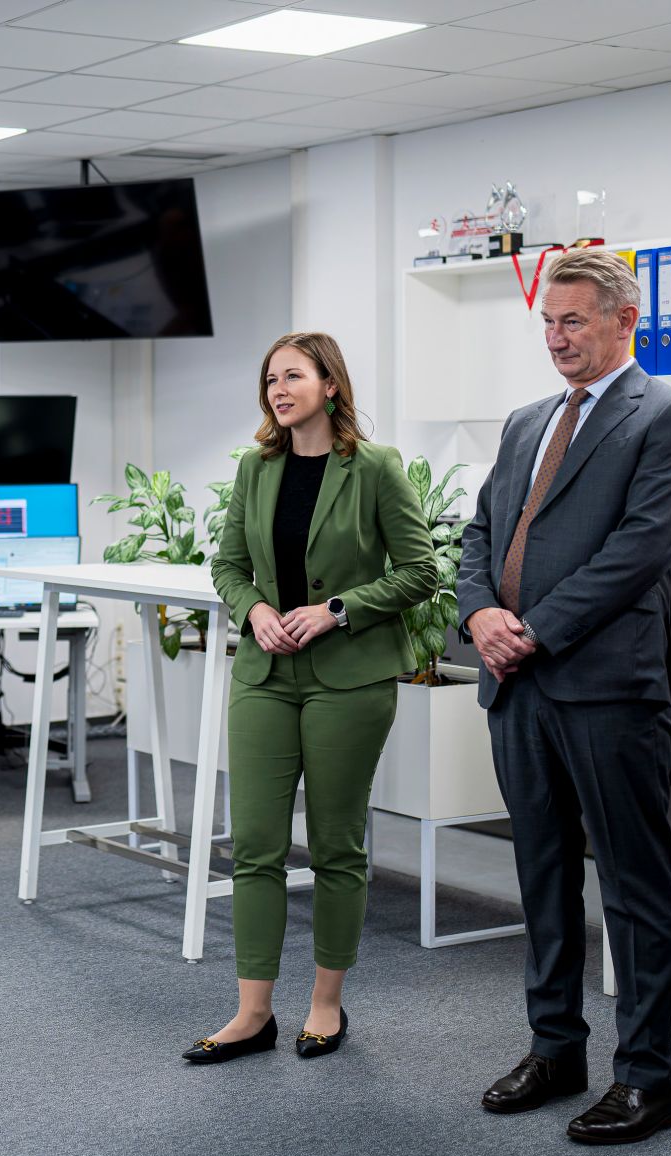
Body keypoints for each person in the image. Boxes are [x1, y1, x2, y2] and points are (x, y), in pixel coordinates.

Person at [457, 249, 671, 1145]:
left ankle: (648, 1076)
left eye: (574, 321)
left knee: (635, 889)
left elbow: (642, 549)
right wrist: (481, 613)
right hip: (516, 687)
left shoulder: (669, 416)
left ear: (622, 321)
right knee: (545, 877)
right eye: (549, 323)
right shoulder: (527, 422)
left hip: (605, 689)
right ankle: (554, 1047)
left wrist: (534, 629)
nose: (558, 338)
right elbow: (481, 529)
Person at [195, 331, 435, 1063]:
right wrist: (254, 609)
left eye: (293, 375)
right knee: (256, 847)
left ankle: (326, 1003)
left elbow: (421, 570)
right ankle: (252, 1011)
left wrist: (339, 609)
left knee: (335, 845)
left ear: (330, 384)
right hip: (265, 676)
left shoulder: (374, 467)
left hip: (348, 677)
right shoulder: (255, 467)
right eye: (270, 378)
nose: (278, 389)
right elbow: (228, 563)